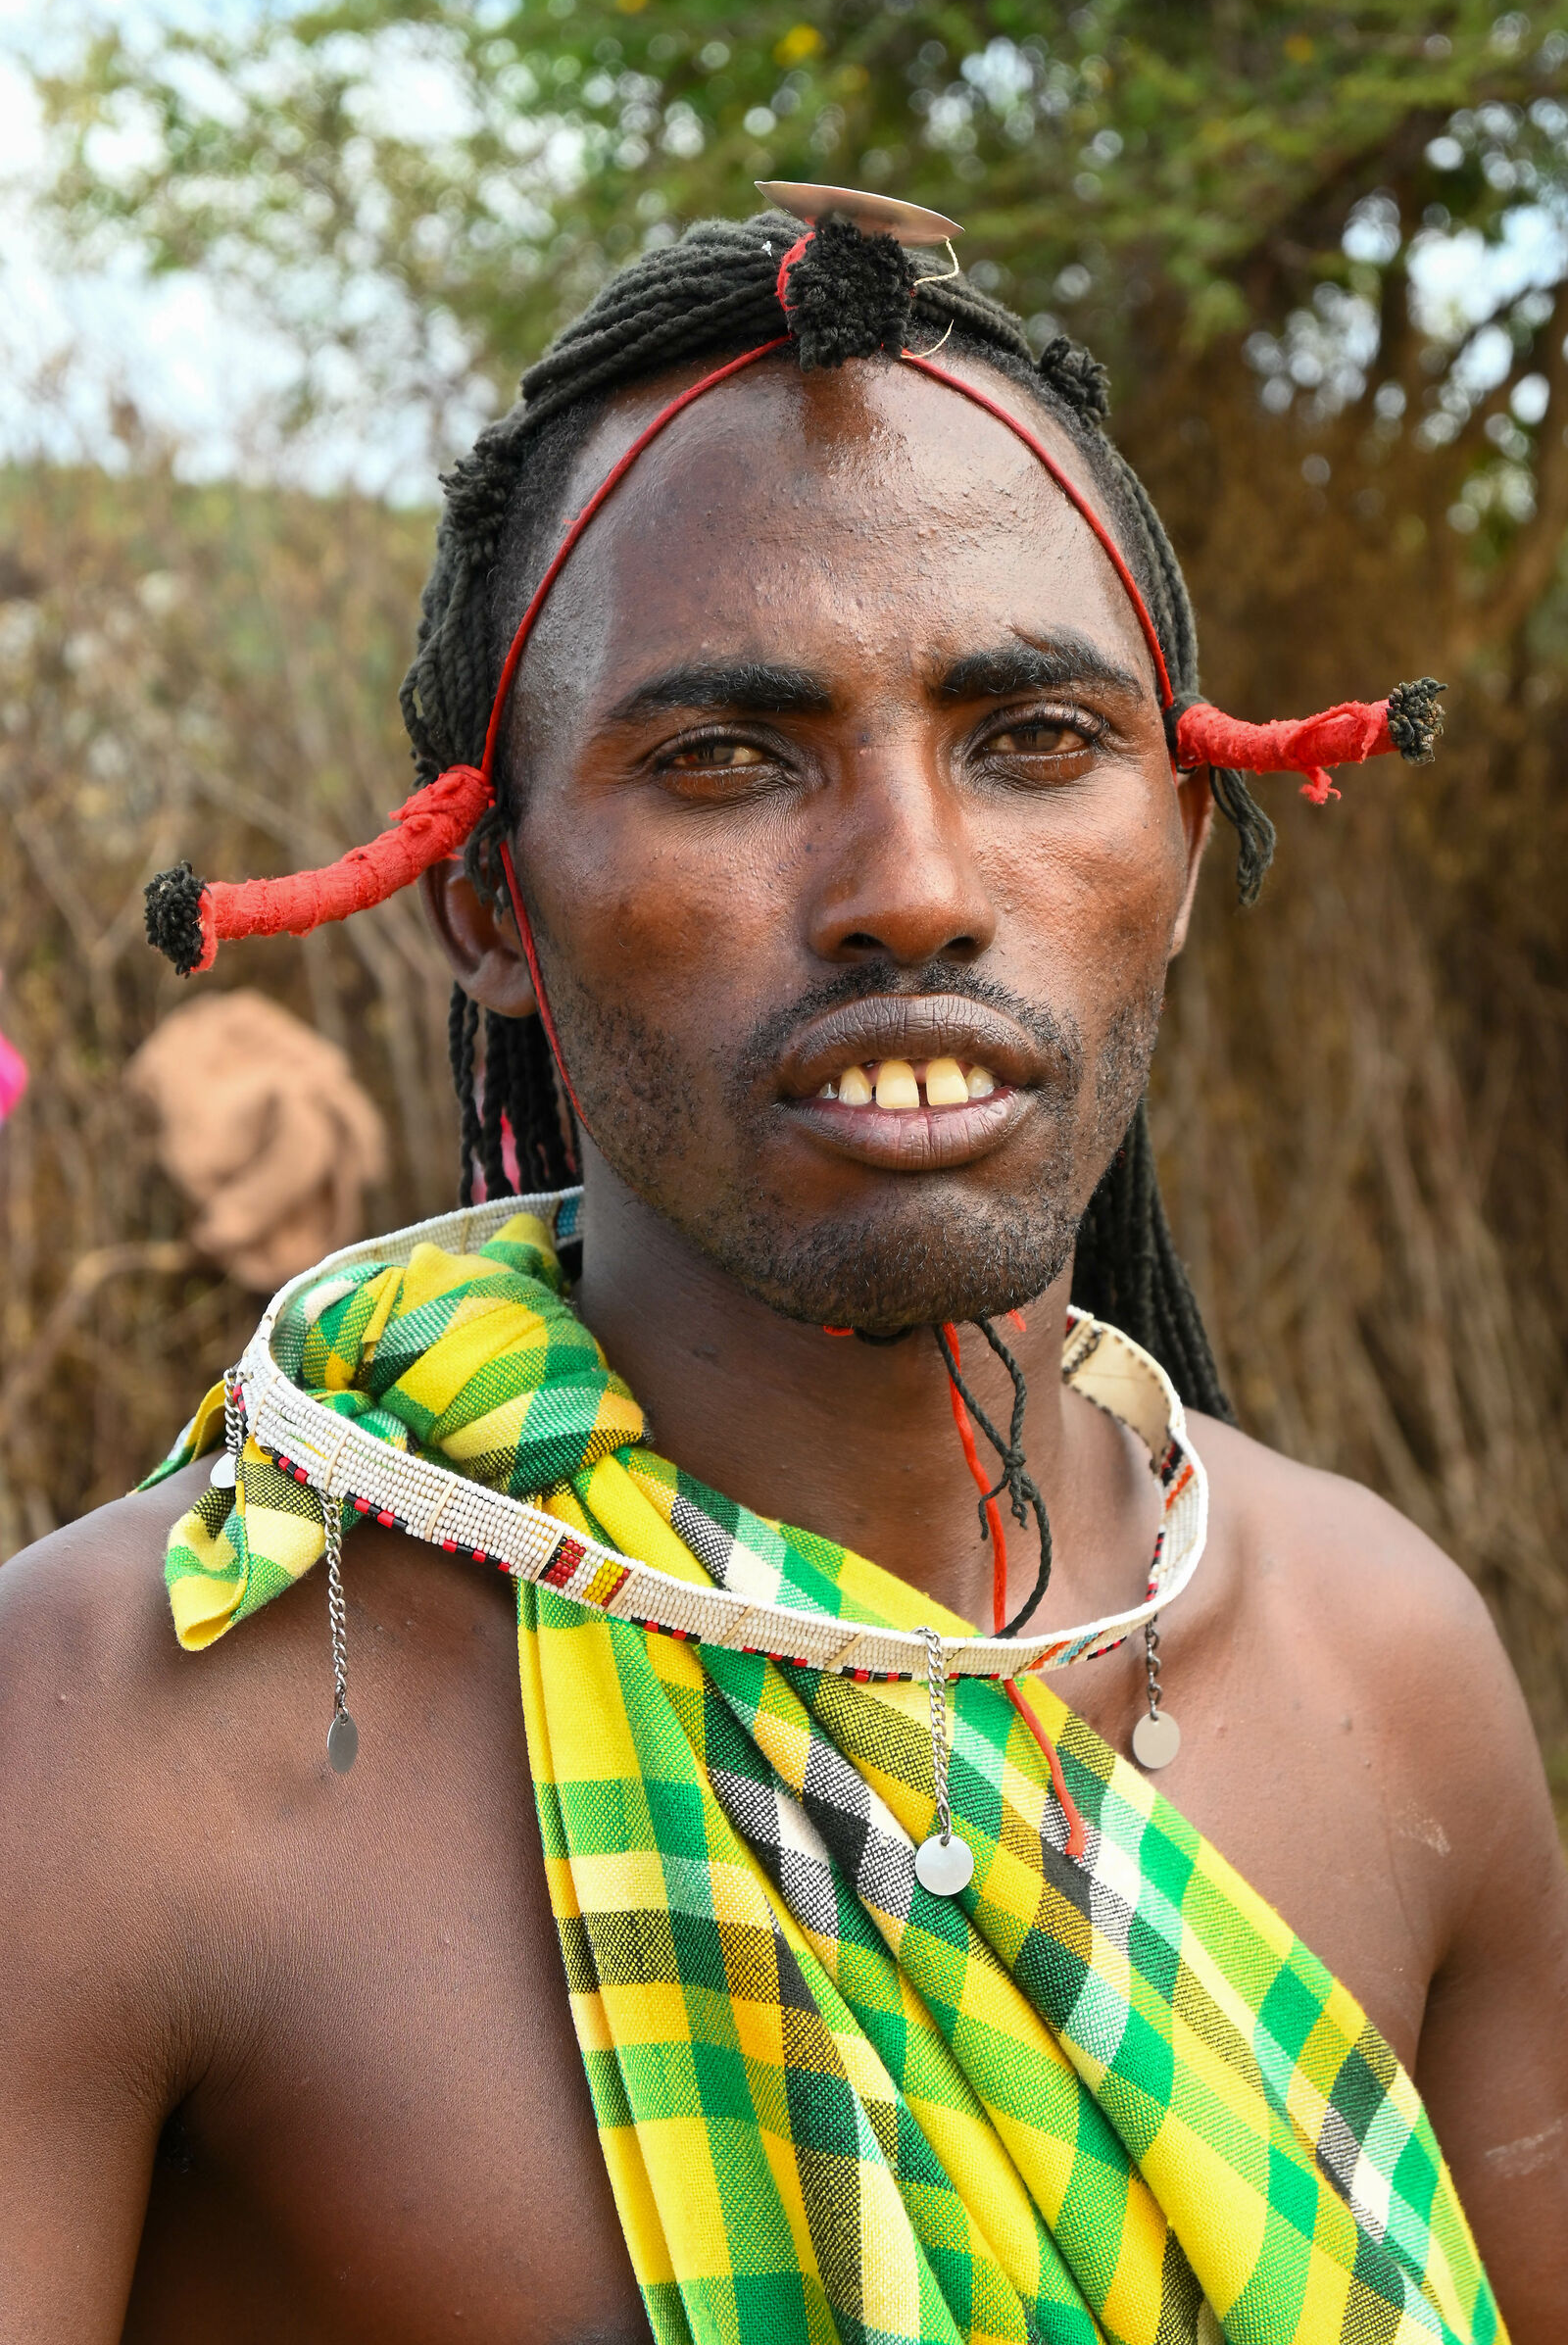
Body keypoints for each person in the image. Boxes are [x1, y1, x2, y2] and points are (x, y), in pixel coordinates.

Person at [2, 191, 1564, 2345]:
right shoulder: (110, 1750)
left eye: (1033, 741)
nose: (910, 890)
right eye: (726, 758)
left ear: (1185, 850)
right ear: (485, 905)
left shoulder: (1385, 1673)